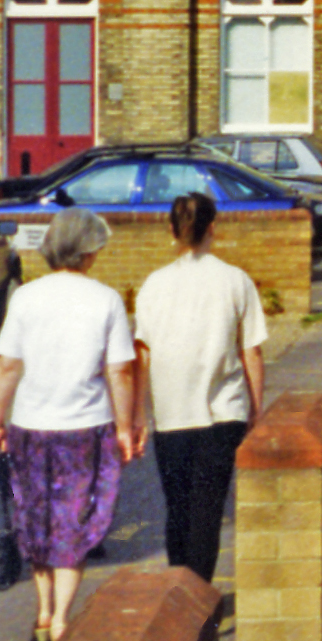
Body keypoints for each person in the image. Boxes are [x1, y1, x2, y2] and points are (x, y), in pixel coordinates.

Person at [0, 207, 139, 641]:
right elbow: (121, 372)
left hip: (31, 425)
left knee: (37, 518)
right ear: (87, 251)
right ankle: (61, 620)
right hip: (85, 428)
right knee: (75, 520)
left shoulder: (26, 298)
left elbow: (6, 366)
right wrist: (126, 427)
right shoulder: (105, 299)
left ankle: (41, 611)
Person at [135, 192, 267, 592]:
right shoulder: (235, 280)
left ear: (171, 231)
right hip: (222, 416)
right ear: (213, 228)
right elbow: (252, 352)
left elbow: (143, 355)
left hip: (171, 416)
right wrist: (256, 412)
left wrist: (139, 415)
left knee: (177, 511)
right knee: (207, 514)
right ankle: (198, 598)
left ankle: (180, 600)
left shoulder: (153, 285)